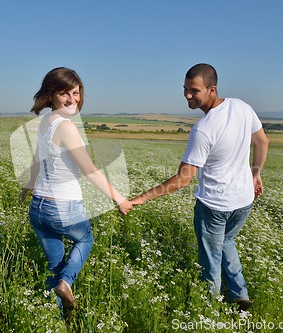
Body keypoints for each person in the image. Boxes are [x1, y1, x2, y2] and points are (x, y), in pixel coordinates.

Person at [131, 63, 269, 311]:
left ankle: (209, 310)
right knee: (228, 242)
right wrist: (256, 171)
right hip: (243, 202)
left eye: (194, 91)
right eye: (185, 89)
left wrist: (142, 198)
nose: (187, 96)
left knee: (211, 263)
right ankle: (240, 294)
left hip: (215, 206)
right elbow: (262, 142)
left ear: (211, 89)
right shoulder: (242, 107)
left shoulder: (203, 130)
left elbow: (183, 179)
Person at [21, 67, 133, 316]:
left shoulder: (44, 122)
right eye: (64, 94)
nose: (73, 99)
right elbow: (90, 170)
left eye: (76, 92)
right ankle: (67, 283)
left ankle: (59, 318)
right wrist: (119, 199)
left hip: (39, 207)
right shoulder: (66, 126)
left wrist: (29, 185)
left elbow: (37, 159)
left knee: (55, 266)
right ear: (51, 95)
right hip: (63, 207)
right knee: (85, 239)